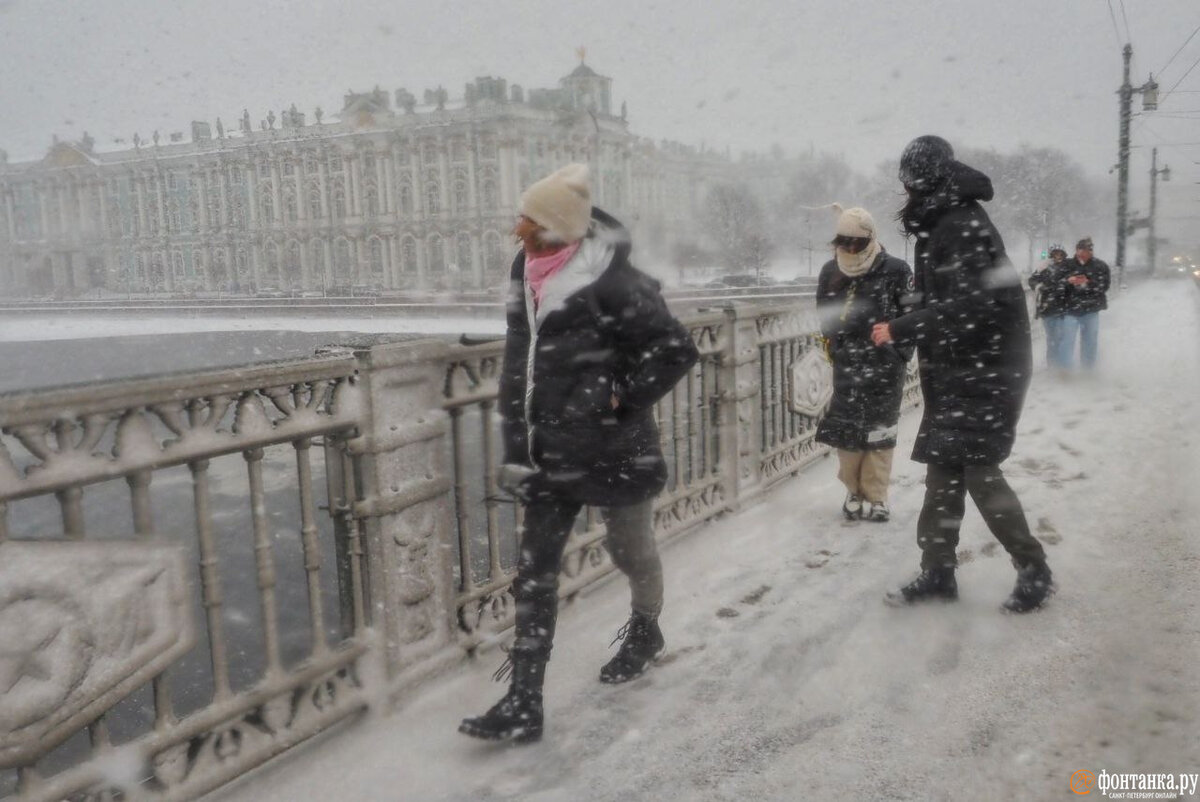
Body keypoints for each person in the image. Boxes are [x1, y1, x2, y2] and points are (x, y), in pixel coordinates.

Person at [459, 164, 699, 743]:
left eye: (529, 219)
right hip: (550, 450)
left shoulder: (618, 282)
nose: (517, 227)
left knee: (630, 552)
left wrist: (618, 398)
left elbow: (676, 350)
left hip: (617, 447)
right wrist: (515, 443)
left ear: (557, 227)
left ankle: (646, 629)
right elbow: (520, 357)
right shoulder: (526, 269)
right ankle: (524, 701)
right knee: (535, 574)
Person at [870, 135, 1053, 614]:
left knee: (977, 472)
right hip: (959, 365)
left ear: (923, 178)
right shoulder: (943, 220)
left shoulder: (961, 224)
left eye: (908, 177)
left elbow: (974, 304)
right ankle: (937, 573)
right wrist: (909, 318)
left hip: (988, 366)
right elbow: (948, 299)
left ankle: (1034, 569)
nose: (904, 186)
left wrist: (903, 326)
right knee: (942, 474)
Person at [814, 205, 914, 523]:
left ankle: (877, 495)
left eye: (857, 241)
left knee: (880, 432)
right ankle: (853, 491)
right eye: (844, 241)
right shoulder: (831, 271)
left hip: (886, 364)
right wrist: (838, 346)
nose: (850, 248)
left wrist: (899, 350)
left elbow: (911, 315)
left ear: (871, 238)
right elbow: (824, 314)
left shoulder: (897, 270)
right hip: (848, 364)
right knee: (848, 432)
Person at [1057, 237, 1111, 371]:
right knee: (1067, 340)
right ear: (1076, 250)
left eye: (1088, 250)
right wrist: (1068, 281)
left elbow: (1104, 285)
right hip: (1070, 309)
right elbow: (1056, 284)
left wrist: (1087, 283)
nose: (1084, 253)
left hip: (1091, 309)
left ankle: (1088, 369)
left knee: (1090, 341)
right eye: (1082, 250)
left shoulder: (1100, 266)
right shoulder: (1066, 265)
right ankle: (1065, 370)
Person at [1028, 244, 1069, 369]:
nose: (1058, 256)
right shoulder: (1043, 267)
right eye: (1055, 254)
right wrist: (1040, 286)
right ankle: (1052, 364)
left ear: (1063, 254)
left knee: (1062, 337)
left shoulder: (1068, 268)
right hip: (1047, 308)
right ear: (1051, 255)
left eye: (1060, 254)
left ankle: (1062, 365)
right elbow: (1031, 280)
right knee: (1051, 338)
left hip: (1063, 308)